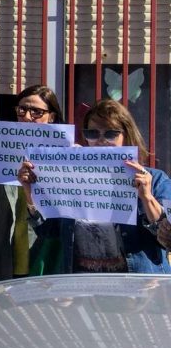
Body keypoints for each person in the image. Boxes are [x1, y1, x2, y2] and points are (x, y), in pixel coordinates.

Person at [18, 98, 171, 274]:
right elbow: (49, 231)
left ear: (126, 135)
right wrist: (30, 192)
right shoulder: (71, 178)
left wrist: (147, 197)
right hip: (84, 284)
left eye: (110, 134)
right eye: (92, 134)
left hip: (139, 285)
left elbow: (166, 239)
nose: (101, 140)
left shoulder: (155, 179)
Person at [0, 85, 66, 282]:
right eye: (22, 110)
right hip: (6, 261)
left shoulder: (64, 156)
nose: (27, 117)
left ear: (52, 117)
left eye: (36, 112)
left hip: (45, 261)